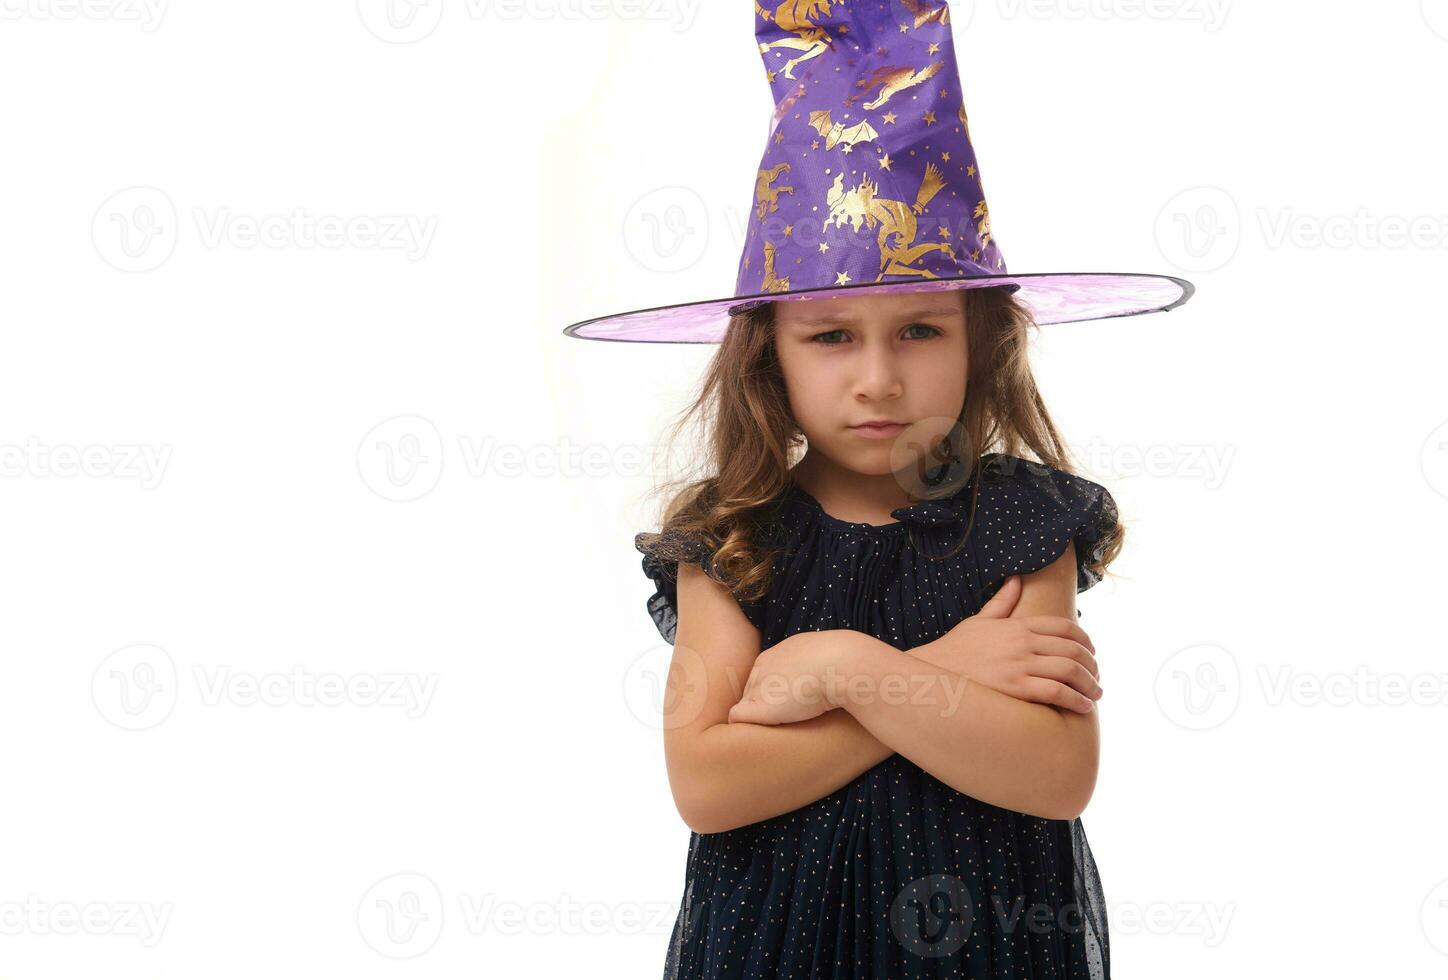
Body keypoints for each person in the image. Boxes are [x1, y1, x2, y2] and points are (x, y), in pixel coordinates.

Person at [564, 3, 1195, 976]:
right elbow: (706, 782)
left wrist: (838, 666)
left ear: (979, 338)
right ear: (766, 355)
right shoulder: (730, 541)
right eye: (829, 335)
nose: (877, 378)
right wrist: (947, 672)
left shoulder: (1021, 525)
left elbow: (1053, 771)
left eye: (918, 329)